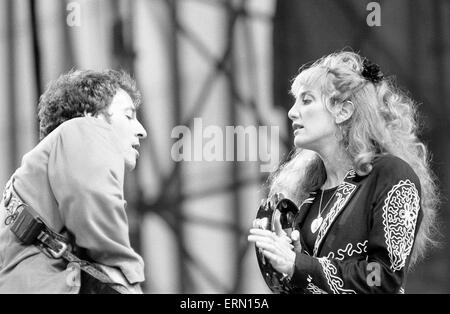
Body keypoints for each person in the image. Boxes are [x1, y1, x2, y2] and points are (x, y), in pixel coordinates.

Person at [248, 51, 439, 294]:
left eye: (306, 101)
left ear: (343, 111)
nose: (292, 112)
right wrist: (288, 263)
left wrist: (300, 264)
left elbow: (382, 278)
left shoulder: (391, 175)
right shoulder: (309, 196)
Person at [0, 69, 147, 293]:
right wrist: (129, 277)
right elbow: (97, 213)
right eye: (128, 116)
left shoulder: (39, 175)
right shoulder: (85, 129)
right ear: (91, 114)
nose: (142, 131)